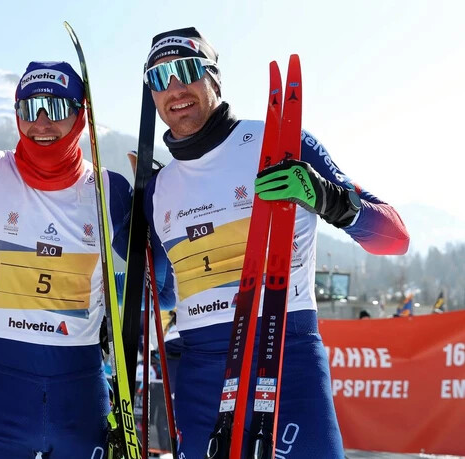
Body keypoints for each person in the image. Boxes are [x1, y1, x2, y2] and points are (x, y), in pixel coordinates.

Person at [140, 27, 410, 457]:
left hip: (285, 359)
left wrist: (327, 197)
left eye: (187, 71)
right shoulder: (158, 189)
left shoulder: (281, 142)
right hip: (202, 376)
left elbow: (395, 238)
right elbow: (166, 295)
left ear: (214, 78)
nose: (174, 88)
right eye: (158, 78)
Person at [0, 60, 174, 458]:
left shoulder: (107, 189)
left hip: (79, 396)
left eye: (57, 108)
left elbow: (160, 293)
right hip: (0, 394)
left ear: (80, 116)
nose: (41, 123)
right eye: (30, 109)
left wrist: (158, 205)